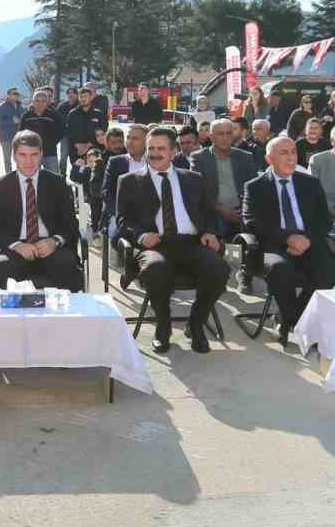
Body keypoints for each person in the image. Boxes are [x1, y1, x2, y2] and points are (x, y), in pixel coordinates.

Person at [115, 126, 230, 354]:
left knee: (219, 269)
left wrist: (209, 232)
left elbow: (209, 213)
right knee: (155, 269)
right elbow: (122, 220)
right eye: (151, 148)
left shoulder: (193, 179)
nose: (155, 153)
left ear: (174, 151)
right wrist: (140, 235)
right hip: (155, 245)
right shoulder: (129, 181)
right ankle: (163, 327)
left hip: (192, 243)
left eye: (161, 148)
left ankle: (195, 325)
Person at [242, 137, 335, 344]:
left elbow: (325, 220)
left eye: (293, 152)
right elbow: (251, 222)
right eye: (284, 153)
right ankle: (293, 320)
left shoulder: (310, 183)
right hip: (275, 245)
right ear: (269, 159)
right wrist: (288, 238)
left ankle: (288, 317)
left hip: (309, 242)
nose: (291, 157)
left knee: (329, 271)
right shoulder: (255, 186)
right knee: (280, 270)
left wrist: (306, 240)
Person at [0, 130, 83, 291]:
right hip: (17, 247)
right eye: (22, 155)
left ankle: (69, 315)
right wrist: (16, 245)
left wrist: (55, 241)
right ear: (14, 156)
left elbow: (70, 224)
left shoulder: (57, 183)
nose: (29, 161)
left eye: (34, 154)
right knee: (0, 268)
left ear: (41, 154)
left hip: (50, 246)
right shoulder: (2, 185)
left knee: (67, 266)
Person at [189, 117, 254, 238]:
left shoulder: (245, 157)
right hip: (213, 215)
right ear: (212, 137)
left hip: (242, 214)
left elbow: (254, 189)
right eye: (220, 134)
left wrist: (243, 210)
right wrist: (220, 209)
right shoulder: (199, 158)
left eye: (229, 133)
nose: (225, 138)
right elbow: (196, 190)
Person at [100, 123, 150, 239]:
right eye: (128, 138)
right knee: (117, 235)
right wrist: (119, 214)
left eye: (135, 138)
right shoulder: (115, 162)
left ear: (147, 142)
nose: (129, 142)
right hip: (120, 216)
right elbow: (106, 192)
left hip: (149, 218)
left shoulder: (154, 162)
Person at [19, 89, 66, 173]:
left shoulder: (54, 115)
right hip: (32, 153)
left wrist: (52, 142)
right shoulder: (26, 116)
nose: (40, 103)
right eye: (37, 100)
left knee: (53, 177)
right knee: (32, 177)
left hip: (50, 152)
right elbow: (20, 134)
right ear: (32, 101)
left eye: (43, 101)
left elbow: (62, 131)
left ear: (47, 102)